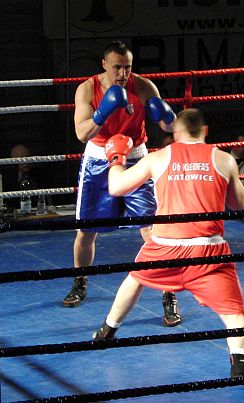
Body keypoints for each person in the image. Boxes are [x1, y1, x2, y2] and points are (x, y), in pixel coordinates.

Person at [93, 108, 244, 384]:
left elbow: (116, 187)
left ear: (175, 133)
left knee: (134, 279)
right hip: (207, 251)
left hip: (164, 247)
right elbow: (240, 205)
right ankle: (239, 365)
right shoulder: (223, 159)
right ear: (205, 131)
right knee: (234, 313)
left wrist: (116, 158)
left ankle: (106, 331)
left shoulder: (159, 157)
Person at [64, 40, 182, 328]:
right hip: (98, 159)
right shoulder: (87, 89)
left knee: (153, 229)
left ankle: (169, 293)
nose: (123, 73)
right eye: (117, 67)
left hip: (136, 158)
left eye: (127, 67)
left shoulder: (143, 87)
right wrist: (102, 112)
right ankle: (80, 282)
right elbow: (81, 133)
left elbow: (170, 128)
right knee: (86, 230)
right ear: (104, 64)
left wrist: (167, 115)